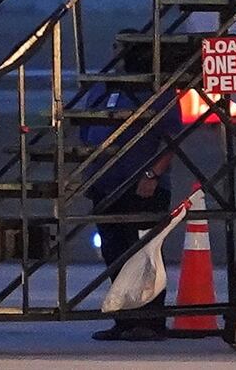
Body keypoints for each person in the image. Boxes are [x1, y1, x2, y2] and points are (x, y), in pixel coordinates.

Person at [82, 37, 182, 343]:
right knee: (114, 252)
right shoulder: (101, 88)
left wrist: (154, 173)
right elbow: (85, 130)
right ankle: (124, 319)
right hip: (106, 184)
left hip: (143, 186)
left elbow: (172, 138)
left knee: (144, 253)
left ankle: (150, 320)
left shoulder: (157, 91)